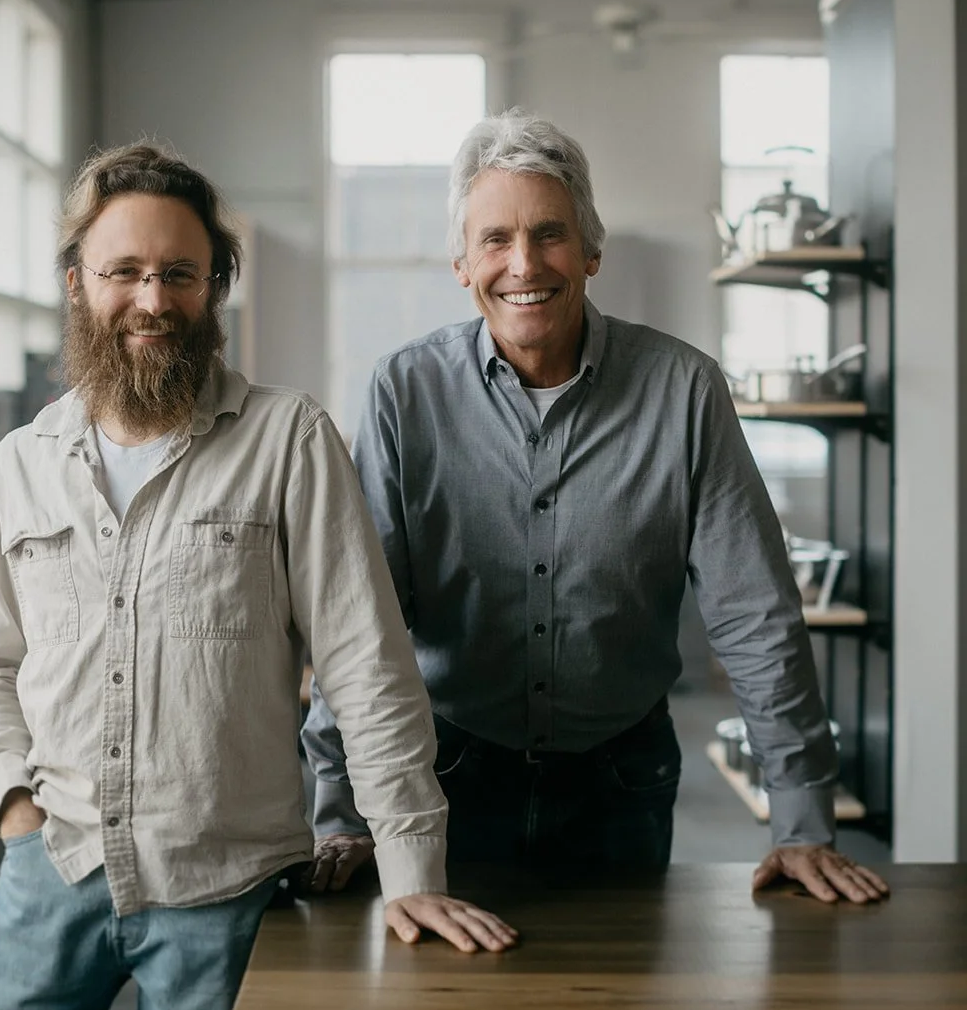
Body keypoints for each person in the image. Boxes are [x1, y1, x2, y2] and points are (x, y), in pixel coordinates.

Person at [0, 141, 515, 1010]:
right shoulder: (17, 467)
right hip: (50, 866)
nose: (152, 298)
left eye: (181, 273)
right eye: (123, 271)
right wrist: (11, 801)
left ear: (215, 288)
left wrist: (411, 872)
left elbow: (365, 665)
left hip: (225, 892)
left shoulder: (288, 440)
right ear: (75, 282)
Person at [301, 110, 889, 907]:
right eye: (495, 240)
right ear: (462, 263)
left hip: (624, 777)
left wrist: (802, 819)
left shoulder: (684, 389)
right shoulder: (406, 391)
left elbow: (755, 613)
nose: (524, 263)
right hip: (448, 777)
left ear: (591, 250)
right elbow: (360, 619)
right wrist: (340, 808)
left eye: (549, 233)